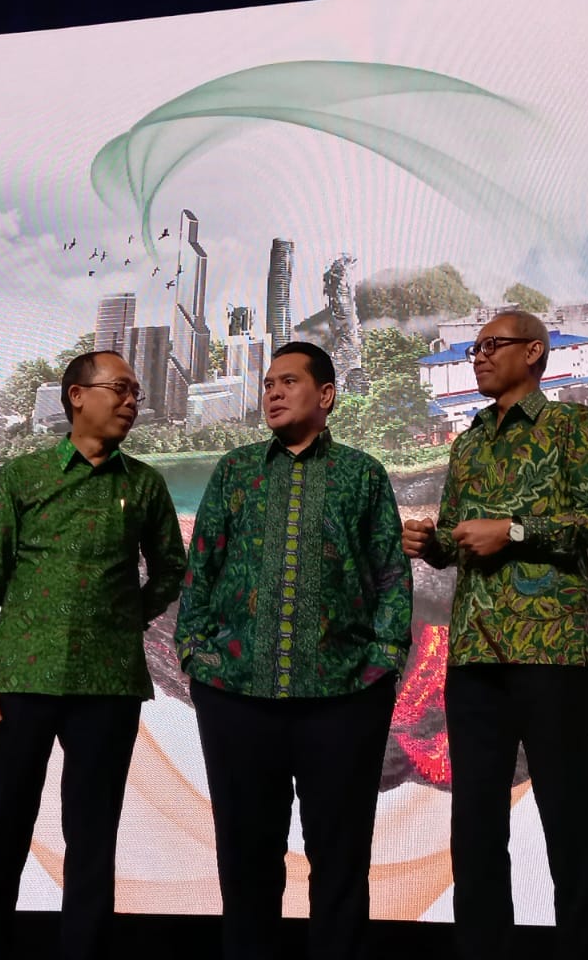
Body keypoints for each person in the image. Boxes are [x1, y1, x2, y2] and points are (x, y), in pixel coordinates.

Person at [401, 310, 588, 960]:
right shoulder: (468, 442)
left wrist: (516, 531)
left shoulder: (571, 426)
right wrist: (432, 543)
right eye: (473, 348)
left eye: (490, 345)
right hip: (474, 656)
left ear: (533, 352)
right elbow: (457, 543)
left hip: (551, 653)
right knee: (474, 827)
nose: (477, 356)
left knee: (567, 820)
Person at [175, 342, 412, 960]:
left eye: (289, 381)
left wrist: (383, 663)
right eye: (268, 384)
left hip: (344, 700)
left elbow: (391, 575)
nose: (273, 392)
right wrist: (196, 655)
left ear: (326, 395)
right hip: (236, 697)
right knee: (246, 860)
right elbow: (201, 569)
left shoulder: (363, 474)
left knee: (340, 859)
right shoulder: (235, 470)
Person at [0, 350, 186, 960]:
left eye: (136, 392)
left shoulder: (145, 484)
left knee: (93, 839)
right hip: (18, 681)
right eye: (120, 389)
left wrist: (125, 616)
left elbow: (171, 567)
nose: (132, 401)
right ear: (77, 396)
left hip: (108, 686)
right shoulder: (23, 476)